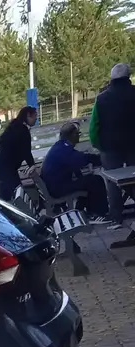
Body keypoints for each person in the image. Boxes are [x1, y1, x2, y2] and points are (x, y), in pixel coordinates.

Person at [91, 62, 135, 231]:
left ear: (112, 79)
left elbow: (94, 126)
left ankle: (116, 216)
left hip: (110, 148)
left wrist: (99, 145)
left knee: (112, 182)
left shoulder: (102, 99)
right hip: (133, 145)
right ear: (128, 77)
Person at [41, 121, 109, 218]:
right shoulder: (64, 149)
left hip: (54, 186)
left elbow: (77, 160)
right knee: (96, 180)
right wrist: (101, 159)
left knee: (87, 180)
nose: (79, 136)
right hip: (58, 189)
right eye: (78, 133)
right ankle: (99, 213)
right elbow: (82, 159)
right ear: (72, 135)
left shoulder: (60, 146)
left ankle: (82, 209)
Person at [0, 106, 38, 201]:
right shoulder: (23, 130)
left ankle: (4, 211)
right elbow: (26, 151)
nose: (36, 118)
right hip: (6, 169)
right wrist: (32, 165)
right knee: (19, 194)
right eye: (35, 116)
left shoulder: (15, 126)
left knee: (5, 196)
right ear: (28, 116)